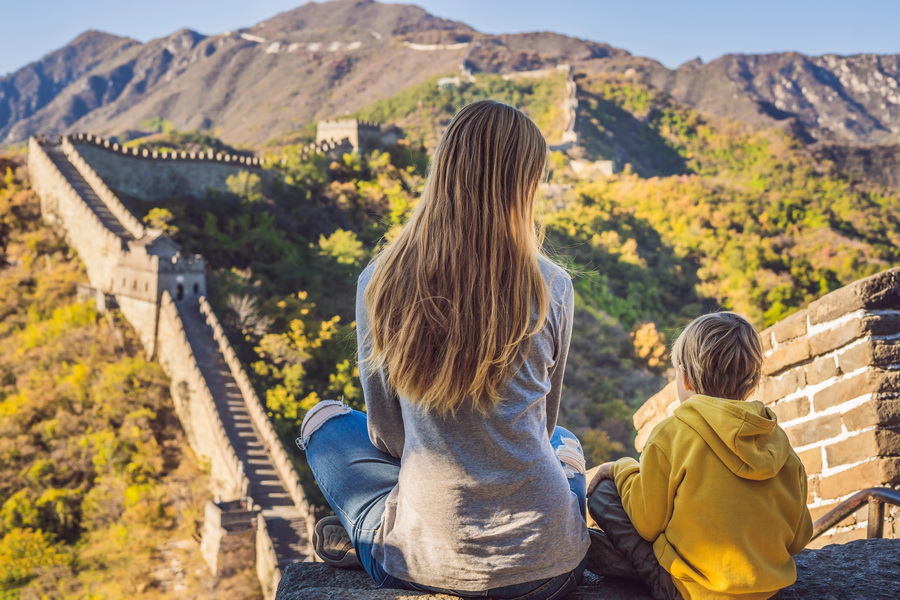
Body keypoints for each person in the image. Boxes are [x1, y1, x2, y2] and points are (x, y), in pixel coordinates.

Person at [296, 99, 590, 599]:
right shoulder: (552, 286)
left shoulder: (380, 281)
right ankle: (565, 475)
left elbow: (388, 437)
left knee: (324, 426)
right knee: (562, 441)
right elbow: (539, 425)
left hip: (422, 564)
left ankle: (365, 532)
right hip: (550, 567)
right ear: (522, 186)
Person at [586, 312, 813, 600]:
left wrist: (620, 469)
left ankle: (641, 568)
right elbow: (799, 537)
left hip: (690, 591)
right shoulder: (778, 442)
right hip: (766, 589)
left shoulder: (671, 432)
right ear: (753, 380)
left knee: (603, 493)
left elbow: (646, 522)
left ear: (684, 377)